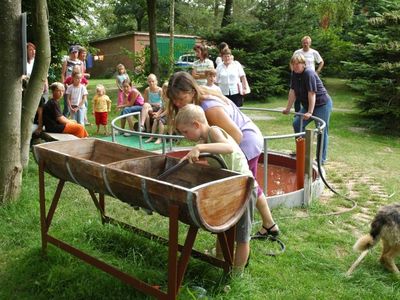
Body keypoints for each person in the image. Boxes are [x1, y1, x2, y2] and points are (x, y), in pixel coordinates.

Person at [167, 71, 279, 239]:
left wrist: (206, 151)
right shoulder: (197, 102)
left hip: (246, 142)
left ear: (191, 92)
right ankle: (269, 225)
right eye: (174, 100)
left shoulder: (209, 108)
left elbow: (235, 137)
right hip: (238, 142)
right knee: (252, 186)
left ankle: (237, 236)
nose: (177, 103)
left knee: (245, 189)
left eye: (180, 99)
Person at [175, 104, 256, 271]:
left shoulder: (213, 131)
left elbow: (228, 148)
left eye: (185, 131)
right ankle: (219, 260)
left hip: (244, 187)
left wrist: (199, 148)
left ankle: (237, 273)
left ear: (197, 124)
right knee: (223, 228)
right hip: (229, 187)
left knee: (242, 236)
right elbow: (221, 162)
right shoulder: (204, 140)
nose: (185, 136)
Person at [282, 53, 332, 164]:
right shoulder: (294, 74)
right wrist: (288, 108)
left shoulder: (309, 73)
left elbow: (312, 93)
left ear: (304, 64)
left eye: (298, 63)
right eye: (293, 63)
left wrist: (310, 111)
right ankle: (301, 151)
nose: (295, 66)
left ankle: (321, 159)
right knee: (297, 123)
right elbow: (292, 91)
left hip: (322, 104)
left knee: (321, 131)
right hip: (307, 104)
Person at [293, 36, 324, 112]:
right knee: (297, 93)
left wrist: (317, 72)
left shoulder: (314, 52)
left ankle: (312, 108)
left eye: (307, 43)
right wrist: (293, 71)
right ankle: (297, 113)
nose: (305, 44)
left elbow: (321, 62)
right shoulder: (297, 52)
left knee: (311, 91)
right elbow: (292, 62)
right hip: (299, 76)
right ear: (302, 43)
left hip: (310, 76)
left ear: (310, 43)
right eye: (304, 43)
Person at [61, 45, 83, 116]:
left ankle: (76, 120)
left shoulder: (80, 63)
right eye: (73, 52)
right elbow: (62, 74)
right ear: (70, 53)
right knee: (67, 105)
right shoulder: (66, 62)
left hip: (77, 87)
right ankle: (64, 120)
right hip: (68, 86)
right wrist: (63, 86)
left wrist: (82, 85)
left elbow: (81, 75)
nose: (74, 54)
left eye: (76, 52)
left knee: (77, 103)